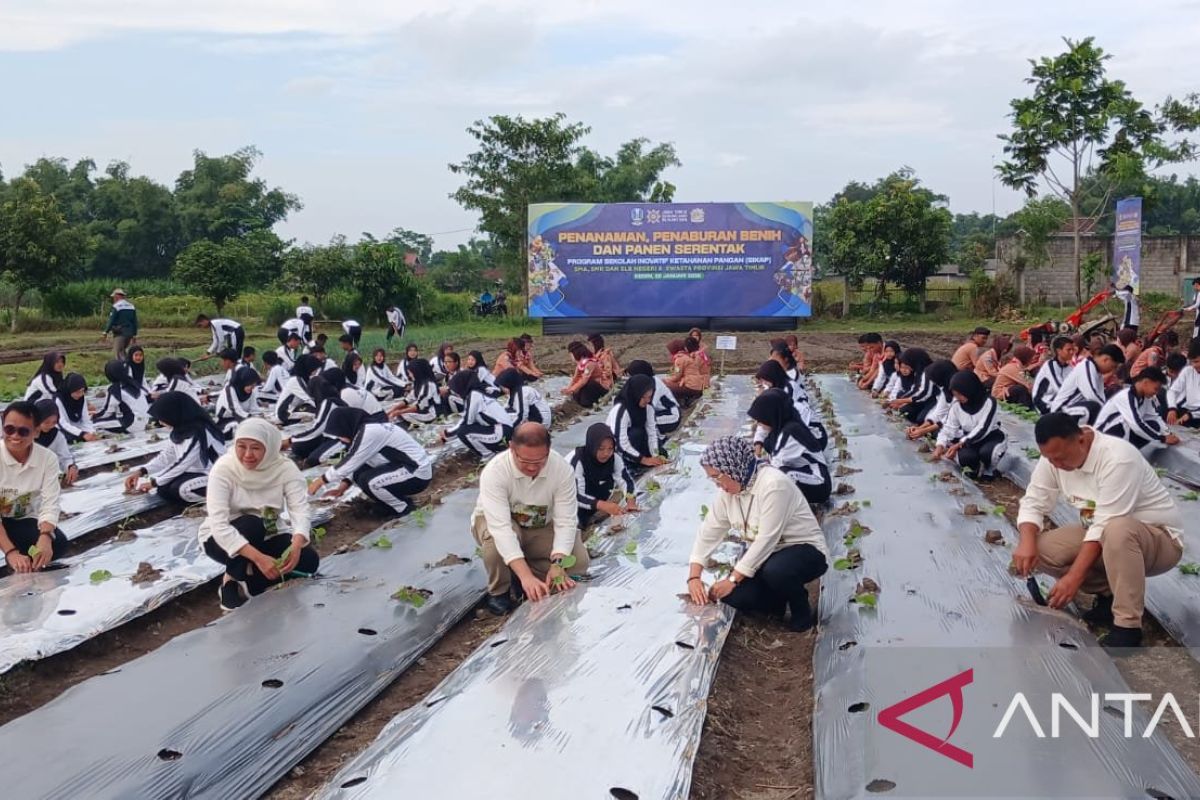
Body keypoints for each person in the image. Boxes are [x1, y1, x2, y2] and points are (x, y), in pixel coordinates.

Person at [1014, 413, 1183, 648]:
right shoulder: (1054, 457)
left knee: (1118, 530)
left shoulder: (1118, 458)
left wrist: (1074, 577)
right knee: (1040, 550)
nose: (1056, 465)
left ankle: (1128, 626)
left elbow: (1105, 523)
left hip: (1157, 540)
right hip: (1104, 534)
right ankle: (1109, 596)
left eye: (1060, 458)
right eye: (1049, 458)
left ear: (1081, 440)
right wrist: (1026, 542)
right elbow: (1034, 500)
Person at [687, 436, 829, 632]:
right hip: (768, 557)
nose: (717, 484)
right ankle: (777, 605)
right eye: (711, 478)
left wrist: (732, 579)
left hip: (804, 550)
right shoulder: (728, 494)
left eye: (717, 476)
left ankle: (801, 610)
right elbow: (709, 532)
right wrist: (694, 577)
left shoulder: (773, 485)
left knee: (777, 570)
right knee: (733, 595)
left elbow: (766, 539)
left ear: (732, 466)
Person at [198, 418, 319, 611]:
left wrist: (296, 545)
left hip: (268, 534)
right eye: (241, 446)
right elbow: (219, 524)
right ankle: (231, 579)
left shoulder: (285, 469)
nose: (247, 455)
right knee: (253, 524)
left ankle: (248, 585)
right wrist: (259, 558)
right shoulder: (223, 469)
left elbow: (299, 508)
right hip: (221, 540)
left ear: (270, 448)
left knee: (308, 560)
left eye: (255, 448)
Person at [471, 422, 590, 615]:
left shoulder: (561, 469)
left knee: (578, 562)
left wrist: (558, 563)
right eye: (525, 462)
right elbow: (501, 528)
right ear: (512, 449)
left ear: (548, 451)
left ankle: (526, 572)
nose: (532, 468)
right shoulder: (495, 472)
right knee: (494, 544)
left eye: (539, 462)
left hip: (539, 524)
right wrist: (526, 575)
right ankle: (500, 590)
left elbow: (566, 520)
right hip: (502, 524)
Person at [308, 407, 432, 516]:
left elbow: (351, 461)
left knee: (370, 481)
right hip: (403, 467)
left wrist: (320, 481)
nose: (341, 439)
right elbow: (358, 464)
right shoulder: (365, 430)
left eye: (340, 434)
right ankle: (390, 504)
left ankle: (403, 508)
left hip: (417, 472)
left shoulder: (369, 432)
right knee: (359, 474)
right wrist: (342, 488)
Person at [0, 401, 67, 574]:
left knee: (57, 543)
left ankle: (25, 558)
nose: (15, 436)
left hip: (18, 519)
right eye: (9, 429)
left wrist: (45, 536)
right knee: (13, 550)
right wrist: (10, 552)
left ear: (36, 432)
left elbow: (50, 501)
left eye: (23, 431)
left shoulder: (47, 459)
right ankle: (14, 555)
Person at [126, 393, 226, 505]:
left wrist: (154, 483)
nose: (160, 422)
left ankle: (222, 496)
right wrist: (141, 471)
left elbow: (183, 462)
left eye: (163, 418)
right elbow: (167, 456)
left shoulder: (199, 432)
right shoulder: (180, 430)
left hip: (216, 474)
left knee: (181, 489)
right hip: (195, 472)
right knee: (163, 489)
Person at [748, 389, 831, 504]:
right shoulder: (782, 425)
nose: (758, 424)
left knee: (780, 476)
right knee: (774, 473)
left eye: (760, 419)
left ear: (771, 415)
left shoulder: (791, 432)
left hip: (819, 483)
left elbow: (775, 466)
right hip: (802, 473)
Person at [932, 371, 1007, 480]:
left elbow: (983, 428)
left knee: (988, 453)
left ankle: (989, 470)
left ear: (969, 389)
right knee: (966, 458)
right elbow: (948, 429)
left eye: (960, 394)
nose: (957, 398)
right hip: (968, 440)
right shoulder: (956, 406)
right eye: (955, 394)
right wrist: (940, 446)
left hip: (990, 437)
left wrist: (959, 444)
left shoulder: (989, 402)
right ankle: (974, 469)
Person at [568, 423, 638, 528]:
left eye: (610, 449)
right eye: (601, 449)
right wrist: (603, 505)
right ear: (592, 445)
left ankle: (593, 516)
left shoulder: (614, 458)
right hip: (573, 506)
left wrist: (631, 500)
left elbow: (626, 480)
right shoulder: (578, 461)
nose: (606, 453)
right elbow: (576, 496)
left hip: (595, 502)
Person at [1096, 367, 1178, 453]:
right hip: (1105, 435)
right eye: (1156, 389)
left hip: (1121, 434)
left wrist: (1167, 433)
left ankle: (1129, 451)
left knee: (1154, 425)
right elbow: (1136, 424)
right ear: (1146, 382)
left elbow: (1154, 417)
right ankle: (1117, 452)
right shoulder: (1126, 396)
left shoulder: (1146, 397)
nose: (1156, 393)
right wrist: (1162, 438)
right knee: (1132, 424)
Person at [442, 371, 516, 457]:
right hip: (504, 429)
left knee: (463, 431)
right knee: (465, 428)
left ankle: (488, 455)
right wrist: (448, 434)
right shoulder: (475, 393)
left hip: (503, 432)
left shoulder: (475, 395)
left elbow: (467, 421)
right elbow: (467, 418)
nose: (456, 392)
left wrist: (446, 435)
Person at [1050, 344, 1124, 424]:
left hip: (1074, 409)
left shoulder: (1096, 371)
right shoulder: (1087, 367)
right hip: (1060, 412)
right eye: (1113, 366)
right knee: (1094, 407)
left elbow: (1101, 397)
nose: (1113, 370)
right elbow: (1092, 396)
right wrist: (1110, 414)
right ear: (1106, 359)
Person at [606, 374, 666, 471]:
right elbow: (620, 442)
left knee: (661, 451)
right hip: (617, 449)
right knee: (636, 434)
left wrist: (655, 455)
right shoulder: (621, 410)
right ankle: (629, 464)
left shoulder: (648, 408)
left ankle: (637, 459)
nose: (647, 400)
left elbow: (652, 433)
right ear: (635, 394)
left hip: (636, 443)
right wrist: (644, 460)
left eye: (649, 397)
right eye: (643, 397)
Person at [906, 360, 957, 440]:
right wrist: (919, 428)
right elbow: (938, 414)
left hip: (960, 427)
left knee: (936, 433)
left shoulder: (959, 392)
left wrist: (924, 431)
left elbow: (949, 419)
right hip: (947, 422)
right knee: (931, 430)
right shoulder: (945, 390)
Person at [93, 358, 149, 433]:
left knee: (94, 424)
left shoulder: (115, 388)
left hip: (132, 425)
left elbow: (108, 411)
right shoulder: (135, 384)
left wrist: (94, 416)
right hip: (146, 421)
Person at [625, 360, 680, 435]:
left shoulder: (654, 386)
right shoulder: (647, 383)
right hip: (660, 413)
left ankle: (660, 439)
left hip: (672, 416)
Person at [33, 400, 77, 487]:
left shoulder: (57, 435)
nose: (50, 426)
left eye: (54, 422)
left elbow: (65, 457)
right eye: (46, 422)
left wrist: (70, 466)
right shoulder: (25, 434)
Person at [886, 348, 936, 423]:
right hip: (922, 399)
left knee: (920, 419)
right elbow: (915, 389)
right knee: (903, 407)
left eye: (908, 364)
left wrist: (902, 401)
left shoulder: (927, 372)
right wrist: (899, 401)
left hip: (932, 400)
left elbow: (923, 393)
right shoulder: (918, 371)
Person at [388, 357, 440, 427]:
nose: (409, 375)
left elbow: (420, 406)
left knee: (404, 414)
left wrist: (398, 412)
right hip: (421, 409)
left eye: (410, 373)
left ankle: (421, 425)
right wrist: (394, 409)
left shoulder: (429, 385)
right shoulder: (418, 382)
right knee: (395, 408)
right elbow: (408, 399)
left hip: (430, 413)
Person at [1032, 336, 1077, 414]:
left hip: (1057, 401)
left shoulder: (1070, 368)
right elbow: (1059, 388)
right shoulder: (1050, 365)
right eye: (1068, 350)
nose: (1072, 352)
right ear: (1059, 351)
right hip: (1043, 402)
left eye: (1073, 349)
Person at [215, 366, 262, 438]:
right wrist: (255, 420)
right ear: (243, 381)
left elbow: (254, 409)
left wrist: (262, 418)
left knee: (259, 426)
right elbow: (235, 411)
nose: (252, 388)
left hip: (243, 419)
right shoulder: (230, 389)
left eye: (254, 386)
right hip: (225, 422)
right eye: (251, 385)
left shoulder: (250, 391)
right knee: (248, 429)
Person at [274, 354, 319, 425]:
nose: (316, 371)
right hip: (284, 414)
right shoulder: (296, 380)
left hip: (294, 409)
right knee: (318, 413)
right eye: (314, 369)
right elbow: (309, 398)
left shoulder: (304, 379)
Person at [562, 341, 607, 408]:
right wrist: (568, 389)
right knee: (576, 391)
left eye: (571, 354)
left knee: (588, 384)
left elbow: (584, 380)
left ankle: (590, 403)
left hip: (599, 387)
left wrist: (571, 389)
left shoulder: (590, 363)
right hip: (589, 385)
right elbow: (576, 378)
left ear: (575, 353)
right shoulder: (580, 364)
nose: (571, 357)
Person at [55, 373, 98, 444]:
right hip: (63, 430)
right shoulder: (59, 400)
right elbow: (62, 423)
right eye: (77, 392)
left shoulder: (81, 398)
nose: (80, 394)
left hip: (78, 429)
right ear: (70, 390)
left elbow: (86, 420)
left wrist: (91, 432)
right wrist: (82, 434)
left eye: (82, 391)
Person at [665, 337, 708, 405]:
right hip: (699, 385)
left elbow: (677, 376)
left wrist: (666, 380)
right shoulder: (689, 357)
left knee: (664, 386)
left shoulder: (680, 359)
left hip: (692, 386)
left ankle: (676, 405)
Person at [1166, 340, 1200, 427]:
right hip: (1186, 409)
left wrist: (1191, 415)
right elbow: (1173, 391)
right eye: (1192, 362)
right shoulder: (1188, 371)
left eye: (1196, 361)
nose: (1194, 365)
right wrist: (1172, 408)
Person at [101, 288, 138, 360]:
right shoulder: (131, 306)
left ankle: (122, 368)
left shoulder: (116, 306)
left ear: (117, 296)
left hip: (120, 333)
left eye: (114, 297)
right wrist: (134, 334)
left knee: (118, 352)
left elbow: (111, 320)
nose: (113, 299)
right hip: (129, 333)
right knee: (123, 351)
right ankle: (128, 366)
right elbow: (134, 321)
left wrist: (105, 332)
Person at [1183, 278, 1200, 342]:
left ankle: (1195, 342)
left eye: (1194, 286)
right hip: (1198, 314)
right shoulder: (1197, 293)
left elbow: (1197, 304)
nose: (1193, 288)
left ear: (1197, 284)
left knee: (1197, 329)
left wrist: (1188, 309)